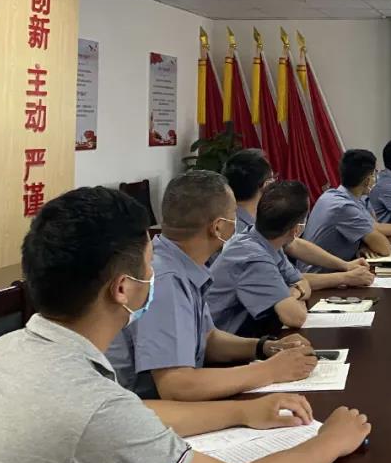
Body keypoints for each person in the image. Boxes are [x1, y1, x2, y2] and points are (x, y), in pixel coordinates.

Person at [0, 186, 371, 463]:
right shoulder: (92, 407)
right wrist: (330, 440)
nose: (155, 275)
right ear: (123, 288)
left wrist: (244, 411)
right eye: (150, 263)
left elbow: (136, 412)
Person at [107, 170, 317, 400]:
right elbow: (176, 384)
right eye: (233, 215)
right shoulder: (166, 279)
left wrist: (264, 347)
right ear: (218, 227)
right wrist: (270, 371)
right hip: (142, 408)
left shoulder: (180, 263)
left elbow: (208, 339)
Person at [223, 149, 374, 289]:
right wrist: (345, 277)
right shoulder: (238, 233)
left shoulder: (258, 217)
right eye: (273, 178)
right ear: (267, 185)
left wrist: (345, 265)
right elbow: (282, 281)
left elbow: (293, 244)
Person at [209, 180, 317, 336]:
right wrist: (295, 294)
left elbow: (303, 282)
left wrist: (295, 292)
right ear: (296, 230)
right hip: (218, 344)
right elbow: (295, 318)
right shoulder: (252, 256)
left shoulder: (266, 241)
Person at [304, 149, 391, 264]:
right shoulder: (344, 207)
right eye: (375, 173)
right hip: (322, 274)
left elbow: (371, 228)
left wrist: (362, 247)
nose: (377, 177)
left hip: (333, 267)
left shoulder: (336, 195)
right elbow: (384, 248)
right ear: (367, 180)